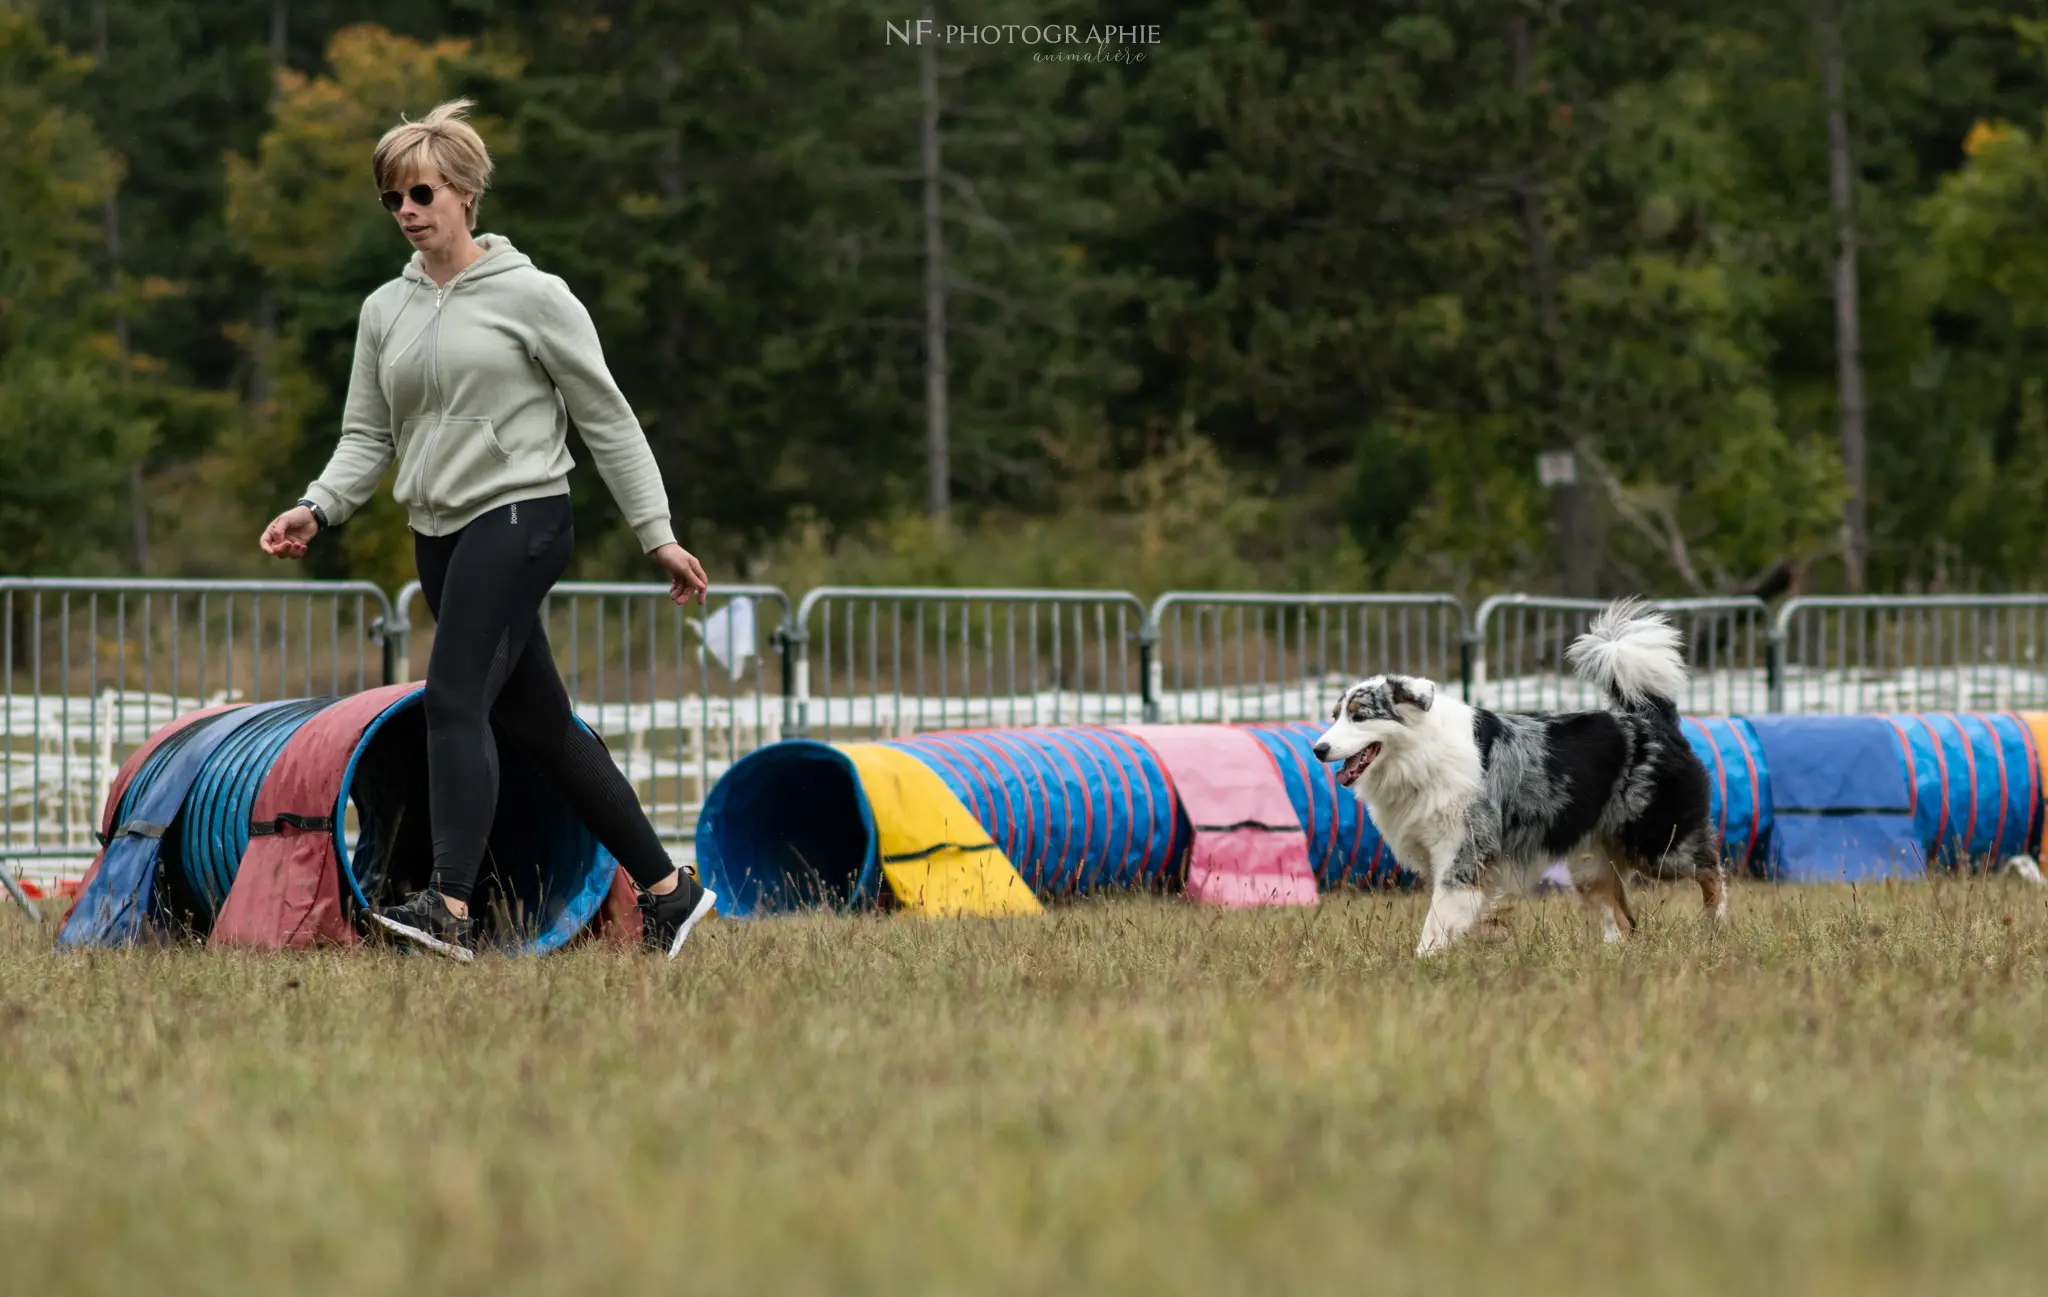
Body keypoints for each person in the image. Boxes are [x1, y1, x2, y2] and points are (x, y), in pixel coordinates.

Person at [259, 99, 718, 961]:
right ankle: (669, 890)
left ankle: (452, 907)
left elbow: (607, 418)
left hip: (524, 516)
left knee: (453, 697)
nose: (407, 211)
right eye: (393, 197)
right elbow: (368, 436)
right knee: (542, 725)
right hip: (439, 533)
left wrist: (655, 531)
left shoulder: (535, 297)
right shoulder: (382, 312)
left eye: (422, 191)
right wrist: (317, 505)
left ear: (466, 192)